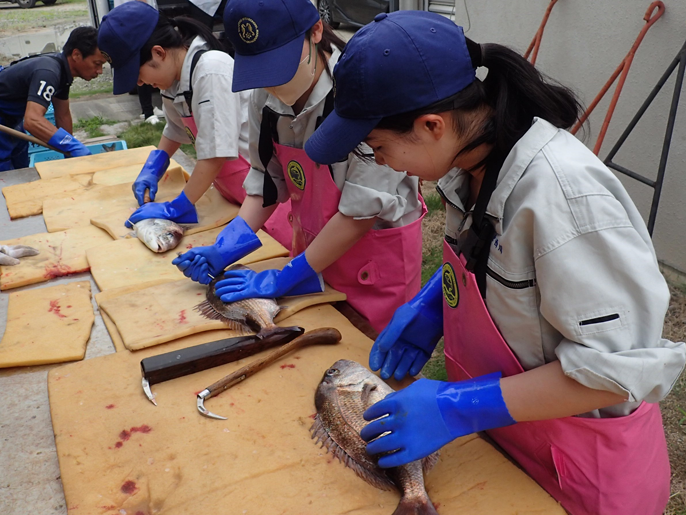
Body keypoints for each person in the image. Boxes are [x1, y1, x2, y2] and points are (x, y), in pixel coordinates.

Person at [304, 11, 686, 515]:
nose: (385, 163)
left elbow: (615, 370)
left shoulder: (565, 198)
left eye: (378, 148)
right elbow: (501, 268)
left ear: (432, 125)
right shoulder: (470, 167)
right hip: (512, 442)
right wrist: (435, 305)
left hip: (580, 477)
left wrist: (455, 407)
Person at [172, 0, 426, 333]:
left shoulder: (364, 89)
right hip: (310, 257)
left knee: (367, 362)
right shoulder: (263, 98)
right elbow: (267, 180)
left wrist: (287, 275)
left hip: (373, 262)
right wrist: (227, 243)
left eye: (280, 66)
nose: (273, 84)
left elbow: (360, 211)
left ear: (316, 32)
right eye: (262, 71)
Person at [98, 1, 287, 235]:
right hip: (232, 192)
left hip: (265, 197)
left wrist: (179, 206)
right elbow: (175, 128)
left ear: (159, 53)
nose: (138, 83)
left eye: (137, 74)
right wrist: (154, 165)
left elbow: (215, 154)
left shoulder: (211, 71)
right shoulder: (172, 80)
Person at [0, 26, 105, 171]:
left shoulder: (63, 73)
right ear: (76, 55)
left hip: (12, 120)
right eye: (97, 64)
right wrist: (71, 145)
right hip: (3, 122)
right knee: (6, 180)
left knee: (22, 169)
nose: (99, 71)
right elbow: (32, 121)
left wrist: (70, 154)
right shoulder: (49, 72)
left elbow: (62, 115)